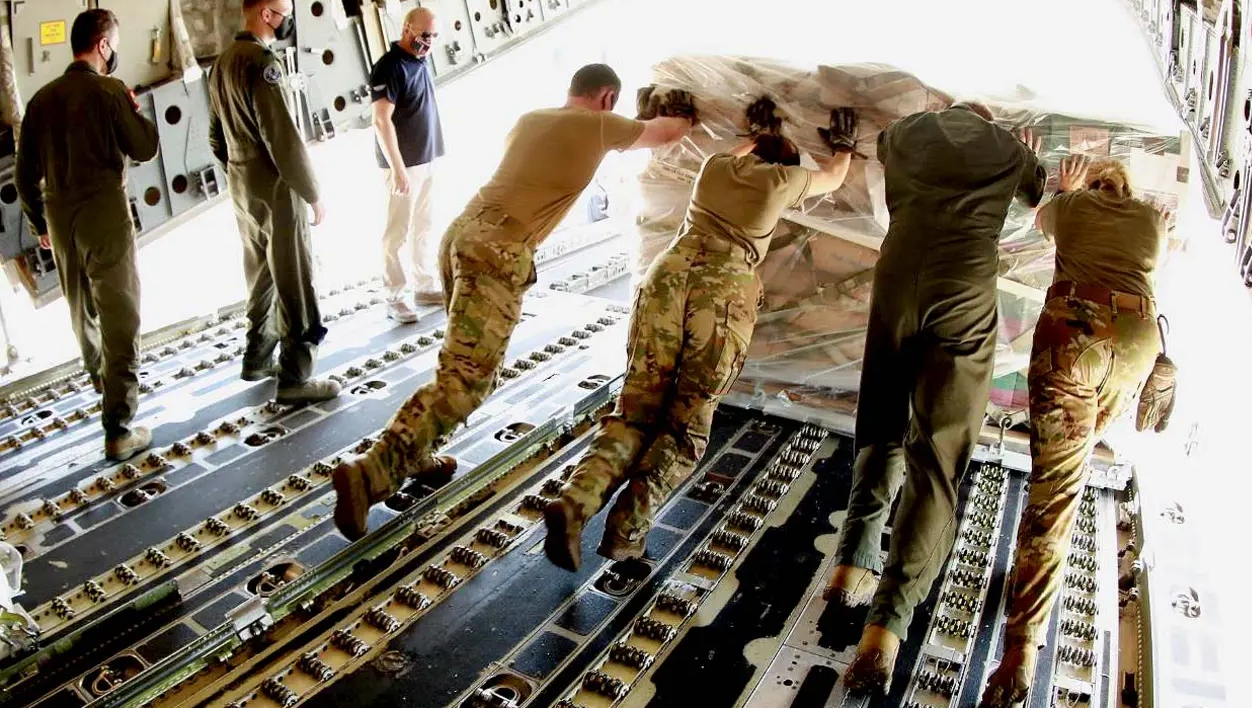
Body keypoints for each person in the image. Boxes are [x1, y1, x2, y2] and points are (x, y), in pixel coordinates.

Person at [331, 65, 696, 541]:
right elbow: (670, 132)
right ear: (607, 97)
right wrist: (687, 108)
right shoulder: (599, 124)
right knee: (468, 380)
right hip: (498, 249)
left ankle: (415, 453)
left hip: (461, 234)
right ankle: (372, 473)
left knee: (456, 365)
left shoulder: (530, 118)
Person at [542, 99, 857, 571]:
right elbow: (834, 177)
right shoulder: (781, 181)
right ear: (784, 165)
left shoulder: (715, 167)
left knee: (635, 409)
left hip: (665, 279)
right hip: (721, 296)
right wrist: (844, 146)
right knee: (685, 425)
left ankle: (575, 501)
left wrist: (758, 129)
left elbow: (746, 148)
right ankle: (626, 536)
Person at [828, 102, 1046, 694]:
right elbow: (1035, 195)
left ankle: (850, 568)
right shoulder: (1007, 148)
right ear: (988, 119)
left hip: (897, 276)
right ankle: (885, 631)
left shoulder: (908, 132)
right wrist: (1021, 150)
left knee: (881, 417)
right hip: (964, 287)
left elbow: (884, 152)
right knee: (939, 451)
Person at [980, 156, 1167, 708]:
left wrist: (1068, 186)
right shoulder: (1152, 221)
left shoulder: (1074, 206)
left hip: (1076, 338)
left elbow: (1040, 219)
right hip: (1136, 345)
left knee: (1053, 491)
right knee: (1074, 460)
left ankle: (1021, 650)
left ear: (1096, 186)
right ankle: (1032, 568)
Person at [16, 9, 159, 461]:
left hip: (60, 218)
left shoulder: (40, 100)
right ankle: (119, 425)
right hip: (103, 212)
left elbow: (23, 178)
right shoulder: (109, 91)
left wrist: (41, 225)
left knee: (83, 310)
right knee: (122, 312)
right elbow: (144, 146)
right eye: (114, 44)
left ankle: (104, 382)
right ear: (102, 45)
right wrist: (132, 107)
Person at [208, 0, 338, 404]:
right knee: (295, 277)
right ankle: (296, 376)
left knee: (261, 273)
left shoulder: (221, 63)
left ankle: (257, 356)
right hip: (276, 188)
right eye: (283, 13)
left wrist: (240, 167)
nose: (287, 20)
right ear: (266, 13)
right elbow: (281, 137)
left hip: (241, 183)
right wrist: (311, 191)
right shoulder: (263, 64)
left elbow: (216, 138)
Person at [371, 7, 447, 323]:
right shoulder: (388, 68)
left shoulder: (419, 60)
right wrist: (398, 168)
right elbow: (380, 120)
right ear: (407, 29)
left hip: (427, 159)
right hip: (404, 166)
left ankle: (424, 285)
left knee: (424, 227)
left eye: (434, 36)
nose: (429, 42)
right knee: (397, 232)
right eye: (424, 35)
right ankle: (394, 296)